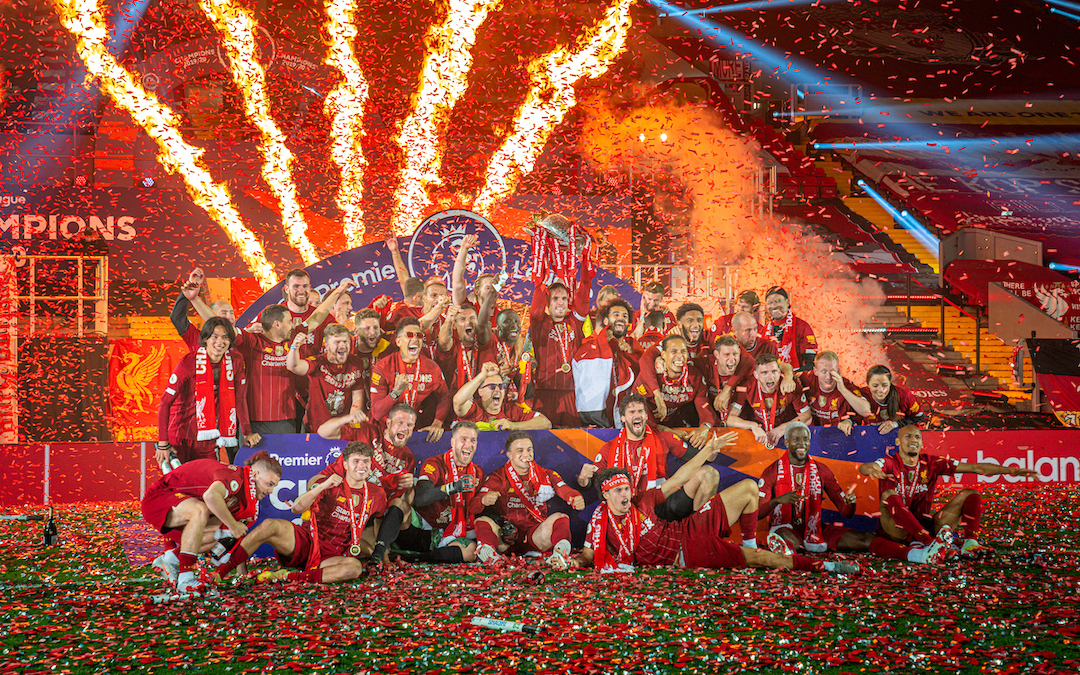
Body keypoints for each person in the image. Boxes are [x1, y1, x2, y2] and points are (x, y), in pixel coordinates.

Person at [573, 433, 860, 575]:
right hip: (690, 552)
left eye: (627, 488)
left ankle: (748, 542)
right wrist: (572, 561)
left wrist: (706, 452)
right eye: (620, 491)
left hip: (689, 528)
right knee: (758, 560)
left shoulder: (642, 499)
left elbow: (681, 477)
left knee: (748, 488)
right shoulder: (600, 523)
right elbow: (588, 556)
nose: (626, 495)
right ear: (606, 496)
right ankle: (822, 567)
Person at [763, 423, 954, 565]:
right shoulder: (772, 470)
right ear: (787, 441)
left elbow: (845, 512)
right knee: (788, 541)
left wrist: (850, 503)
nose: (801, 444)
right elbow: (758, 512)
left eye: (805, 439)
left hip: (817, 529)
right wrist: (778, 501)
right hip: (785, 527)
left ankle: (921, 555)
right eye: (796, 440)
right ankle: (788, 552)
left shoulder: (821, 469)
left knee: (866, 540)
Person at [213, 442, 389, 584]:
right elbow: (296, 508)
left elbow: (381, 521)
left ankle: (288, 578)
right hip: (307, 542)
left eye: (366, 461)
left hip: (333, 556)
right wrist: (322, 486)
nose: (361, 466)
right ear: (345, 464)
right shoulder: (331, 484)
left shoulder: (377, 493)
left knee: (354, 568)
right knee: (269, 525)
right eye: (356, 461)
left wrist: (382, 554)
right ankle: (222, 571)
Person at [859, 425, 1038, 558]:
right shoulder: (890, 462)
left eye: (917, 437)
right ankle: (929, 544)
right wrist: (871, 469)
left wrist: (1011, 471)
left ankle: (970, 543)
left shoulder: (932, 462)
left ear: (921, 443)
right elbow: (866, 467)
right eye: (907, 436)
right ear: (898, 442)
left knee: (970, 494)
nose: (913, 439)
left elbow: (976, 467)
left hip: (925, 525)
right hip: (896, 530)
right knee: (888, 495)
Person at [142, 451, 281, 597]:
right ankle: (186, 579)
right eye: (269, 484)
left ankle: (169, 560)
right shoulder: (234, 476)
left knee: (218, 532)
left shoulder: (244, 487)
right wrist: (233, 525)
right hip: (158, 497)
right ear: (255, 474)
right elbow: (210, 496)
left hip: (178, 501)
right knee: (201, 510)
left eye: (274, 486)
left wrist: (231, 527)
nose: (271, 491)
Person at [318, 404, 418, 563]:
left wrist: (408, 487)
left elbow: (397, 507)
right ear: (389, 423)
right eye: (400, 423)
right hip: (340, 501)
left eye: (409, 425)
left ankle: (379, 555)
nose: (405, 428)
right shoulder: (367, 431)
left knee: (399, 505)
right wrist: (348, 418)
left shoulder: (408, 458)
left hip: (368, 510)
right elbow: (323, 432)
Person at [469, 431, 585, 568]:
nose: (526, 454)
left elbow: (565, 489)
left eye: (529, 449)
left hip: (537, 536)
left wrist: (576, 498)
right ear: (509, 455)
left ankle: (560, 555)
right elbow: (473, 507)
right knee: (481, 521)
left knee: (561, 517)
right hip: (507, 539)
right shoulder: (497, 477)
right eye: (520, 450)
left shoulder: (545, 474)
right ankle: (490, 556)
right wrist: (483, 500)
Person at [157, 317, 259, 466]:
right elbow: (165, 402)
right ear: (205, 339)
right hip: (180, 437)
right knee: (178, 486)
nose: (220, 342)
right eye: (215, 336)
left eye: (225, 337)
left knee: (209, 484)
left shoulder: (236, 361)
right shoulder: (189, 362)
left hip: (208, 440)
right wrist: (163, 443)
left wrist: (247, 432)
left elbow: (240, 399)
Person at [577, 393, 707, 507]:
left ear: (646, 416)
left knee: (708, 473)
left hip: (658, 504)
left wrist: (711, 451)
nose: (637, 415)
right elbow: (589, 482)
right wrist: (583, 479)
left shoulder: (663, 438)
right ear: (623, 418)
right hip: (626, 508)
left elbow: (695, 456)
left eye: (640, 411)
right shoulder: (610, 448)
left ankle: (699, 528)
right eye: (632, 412)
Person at [529, 260, 594, 428]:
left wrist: (586, 261)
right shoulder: (539, 324)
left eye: (564, 298)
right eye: (555, 298)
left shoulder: (575, 321)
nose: (560, 302)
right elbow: (537, 298)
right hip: (544, 393)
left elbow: (585, 291)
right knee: (543, 439)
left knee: (573, 441)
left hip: (572, 394)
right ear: (547, 303)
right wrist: (541, 264)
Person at [413, 422, 486, 563]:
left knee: (471, 553)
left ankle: (416, 558)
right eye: (463, 439)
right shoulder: (435, 463)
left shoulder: (478, 472)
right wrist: (452, 487)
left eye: (473, 440)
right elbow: (420, 499)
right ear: (453, 442)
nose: (468, 445)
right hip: (428, 530)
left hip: (459, 531)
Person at [369, 318, 450, 442]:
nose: (415, 339)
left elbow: (444, 397)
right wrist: (395, 392)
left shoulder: (431, 367)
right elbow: (376, 413)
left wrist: (437, 423)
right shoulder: (383, 367)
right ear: (398, 342)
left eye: (419, 335)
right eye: (409, 335)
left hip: (413, 429)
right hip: (385, 430)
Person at [632, 335, 715, 446]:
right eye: (674, 351)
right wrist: (666, 431)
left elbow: (704, 407)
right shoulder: (649, 376)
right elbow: (635, 414)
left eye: (683, 352)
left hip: (676, 424)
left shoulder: (695, 377)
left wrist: (705, 427)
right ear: (663, 355)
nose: (679, 356)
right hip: (647, 429)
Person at [231, 304, 299, 435]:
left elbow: (315, 320)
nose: (293, 326)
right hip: (255, 421)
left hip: (286, 420)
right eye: (289, 321)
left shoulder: (292, 342)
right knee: (255, 456)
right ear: (277, 324)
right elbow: (223, 329)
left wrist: (337, 293)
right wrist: (194, 299)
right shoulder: (252, 342)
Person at [573, 299, 640, 428]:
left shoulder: (633, 346)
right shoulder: (590, 346)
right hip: (599, 423)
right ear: (605, 321)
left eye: (625, 316)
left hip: (626, 422)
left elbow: (643, 371)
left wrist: (630, 353)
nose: (621, 318)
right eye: (616, 315)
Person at [286, 323, 363, 432]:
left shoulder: (356, 362)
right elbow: (293, 366)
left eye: (345, 341)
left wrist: (354, 416)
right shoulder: (317, 363)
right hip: (315, 428)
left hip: (343, 428)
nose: (342, 346)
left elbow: (357, 395)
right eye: (337, 342)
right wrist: (294, 347)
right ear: (326, 346)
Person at [726, 353, 812, 447]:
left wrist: (784, 428)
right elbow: (730, 419)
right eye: (764, 373)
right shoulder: (747, 386)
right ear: (756, 375)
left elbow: (806, 416)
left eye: (774, 371)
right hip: (759, 432)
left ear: (779, 372)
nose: (770, 377)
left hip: (785, 432)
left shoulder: (790, 384)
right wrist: (752, 426)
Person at [710, 334, 794, 419]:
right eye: (727, 354)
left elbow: (784, 366)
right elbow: (731, 418)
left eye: (735, 354)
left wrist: (788, 377)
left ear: (739, 352)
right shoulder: (708, 365)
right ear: (717, 355)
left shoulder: (750, 364)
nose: (732, 359)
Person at [636, 303, 714, 389]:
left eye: (699, 320)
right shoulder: (670, 340)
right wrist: (656, 390)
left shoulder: (708, 338)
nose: (696, 324)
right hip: (679, 395)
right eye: (690, 320)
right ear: (679, 324)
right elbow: (645, 359)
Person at [453, 361, 551, 429]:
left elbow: (545, 422)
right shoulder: (474, 409)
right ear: (480, 392)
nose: (497, 390)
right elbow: (457, 401)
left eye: (501, 386)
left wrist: (514, 426)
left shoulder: (510, 410)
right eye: (491, 386)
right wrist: (482, 376)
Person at [435, 291, 498, 393]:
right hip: (452, 401)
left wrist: (491, 293)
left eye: (473, 318)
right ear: (454, 325)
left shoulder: (484, 342)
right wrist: (449, 319)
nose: (468, 322)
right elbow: (443, 343)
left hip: (481, 401)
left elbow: (483, 324)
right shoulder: (453, 345)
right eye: (462, 319)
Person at [798, 351, 871, 435]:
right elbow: (784, 369)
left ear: (838, 371)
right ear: (815, 371)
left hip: (839, 435)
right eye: (824, 371)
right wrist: (788, 377)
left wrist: (843, 389)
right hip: (812, 435)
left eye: (832, 371)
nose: (828, 377)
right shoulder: (807, 378)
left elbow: (866, 411)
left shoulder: (845, 384)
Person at [170, 268, 234, 351]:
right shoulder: (197, 338)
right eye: (224, 313)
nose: (230, 317)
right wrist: (188, 291)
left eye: (232, 313)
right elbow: (177, 318)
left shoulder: (240, 340)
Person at [859, 365, 926, 434]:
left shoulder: (905, 396)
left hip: (902, 438)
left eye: (884, 385)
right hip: (870, 438)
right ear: (868, 384)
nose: (881, 390)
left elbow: (919, 417)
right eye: (875, 386)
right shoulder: (861, 395)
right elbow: (852, 418)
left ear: (890, 383)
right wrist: (848, 421)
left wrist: (896, 424)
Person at [763, 287, 817, 370]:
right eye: (770, 302)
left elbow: (811, 363)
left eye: (778, 301)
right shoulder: (764, 330)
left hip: (797, 379)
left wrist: (790, 376)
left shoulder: (802, 327)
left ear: (787, 302)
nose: (774, 306)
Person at [351, 308, 393, 412]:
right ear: (356, 331)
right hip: (351, 408)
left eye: (375, 327)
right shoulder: (346, 348)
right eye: (367, 328)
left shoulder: (388, 347)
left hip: (380, 408)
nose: (372, 332)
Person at [492, 307, 526, 402]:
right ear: (498, 327)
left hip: (510, 400)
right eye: (508, 321)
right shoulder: (492, 341)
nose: (514, 325)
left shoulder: (517, 347)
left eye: (516, 321)